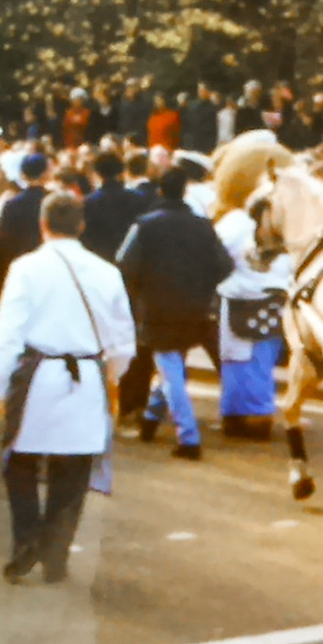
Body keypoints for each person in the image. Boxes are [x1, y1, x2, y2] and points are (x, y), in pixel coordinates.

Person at [0, 193, 136, 584]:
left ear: (43, 224)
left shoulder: (26, 268)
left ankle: (27, 539)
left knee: (20, 463)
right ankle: (56, 555)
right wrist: (113, 376)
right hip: (87, 379)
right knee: (73, 471)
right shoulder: (106, 272)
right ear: (81, 225)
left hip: (38, 378)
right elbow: (122, 340)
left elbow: (7, 334)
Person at [118, 167, 234, 459]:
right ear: (184, 192)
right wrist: (202, 287)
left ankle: (189, 438)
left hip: (157, 308)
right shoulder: (204, 225)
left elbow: (124, 263)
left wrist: (141, 292)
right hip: (196, 307)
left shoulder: (144, 225)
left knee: (170, 369)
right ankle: (150, 421)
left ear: (160, 191)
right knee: (171, 367)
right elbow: (225, 265)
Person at [216, 200, 293, 439]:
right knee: (235, 365)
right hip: (238, 305)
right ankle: (234, 416)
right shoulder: (238, 229)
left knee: (259, 364)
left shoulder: (290, 241)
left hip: (271, 307)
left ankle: (258, 421)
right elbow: (218, 254)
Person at [0, 152, 49, 290]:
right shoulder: (52, 202)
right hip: (47, 270)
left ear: (23, 175)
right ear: (46, 174)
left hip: (18, 270)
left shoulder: (11, 204)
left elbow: (1, 244)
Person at [82, 153, 147, 260]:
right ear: (121, 172)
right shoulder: (138, 198)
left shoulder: (88, 202)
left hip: (100, 259)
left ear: (97, 173)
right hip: (131, 260)